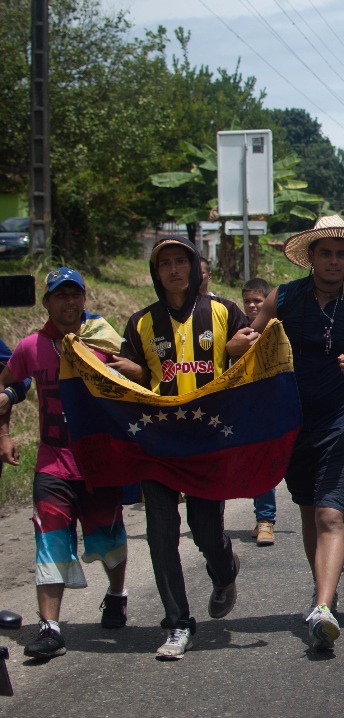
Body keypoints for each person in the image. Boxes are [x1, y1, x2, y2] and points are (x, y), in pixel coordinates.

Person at [249, 215, 344, 652]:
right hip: (292, 425)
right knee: (312, 511)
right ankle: (324, 594)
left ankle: (323, 607)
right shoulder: (284, 298)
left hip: (343, 424)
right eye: (325, 252)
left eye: (341, 253)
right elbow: (247, 341)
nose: (334, 260)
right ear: (310, 257)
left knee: (332, 515)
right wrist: (238, 343)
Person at [108, 237, 254, 659]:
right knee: (161, 534)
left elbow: (254, 358)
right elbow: (129, 376)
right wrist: (133, 370)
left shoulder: (224, 311)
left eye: (180, 261)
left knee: (206, 530)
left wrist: (239, 349)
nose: (174, 270)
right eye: (165, 263)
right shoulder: (140, 323)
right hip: (158, 443)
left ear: (194, 267)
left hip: (208, 440)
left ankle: (224, 567)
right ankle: (177, 623)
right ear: (156, 273)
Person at [0, 268, 129, 660]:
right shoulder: (30, 347)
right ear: (47, 303)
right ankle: (50, 628)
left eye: (75, 295)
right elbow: (7, 386)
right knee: (49, 538)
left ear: (85, 299)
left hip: (99, 462)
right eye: (61, 296)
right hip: (52, 463)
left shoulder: (105, 341)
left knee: (108, 540)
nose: (69, 303)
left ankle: (117, 594)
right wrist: (4, 432)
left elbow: (138, 384)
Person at [236, 277, 278, 547]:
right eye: (248, 301)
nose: (252, 306)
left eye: (258, 301)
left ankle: (265, 520)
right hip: (240, 405)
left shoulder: (277, 330)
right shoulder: (236, 330)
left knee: (266, 461)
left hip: (270, 403)